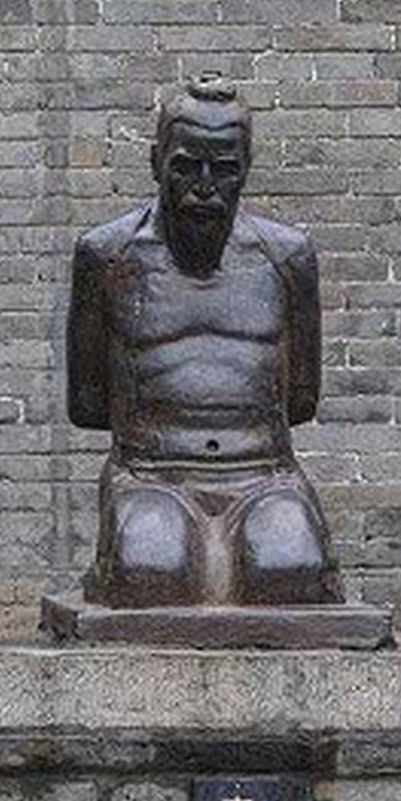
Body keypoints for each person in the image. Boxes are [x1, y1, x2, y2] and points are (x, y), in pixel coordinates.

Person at [67, 73, 339, 606]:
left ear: (246, 169)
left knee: (291, 572)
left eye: (225, 170)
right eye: (187, 167)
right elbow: (88, 404)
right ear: (156, 163)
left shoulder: (287, 258)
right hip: (149, 473)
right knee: (152, 571)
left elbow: (301, 399)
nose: (205, 186)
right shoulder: (107, 256)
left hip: (264, 474)